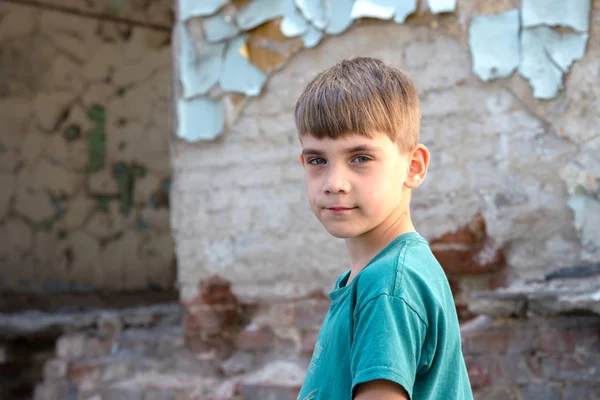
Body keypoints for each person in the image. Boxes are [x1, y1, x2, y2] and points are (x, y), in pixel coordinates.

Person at [294, 57, 473, 400]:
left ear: (414, 166)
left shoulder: (388, 287)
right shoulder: (375, 276)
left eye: (360, 158)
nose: (334, 183)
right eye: (318, 160)